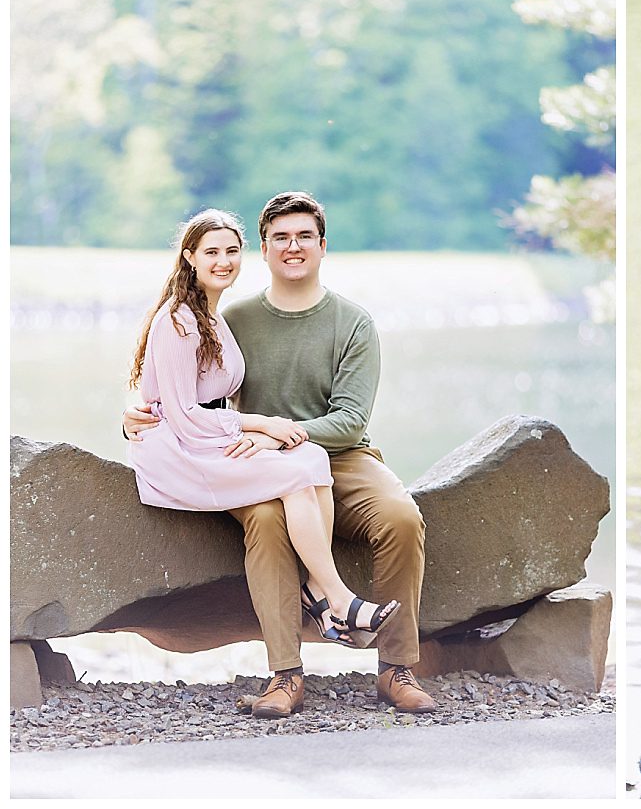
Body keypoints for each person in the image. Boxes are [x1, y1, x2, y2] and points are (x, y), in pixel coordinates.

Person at [125, 192, 436, 719]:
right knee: (267, 523)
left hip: (340, 453)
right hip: (251, 458)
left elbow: (351, 420)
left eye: (304, 237)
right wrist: (138, 417)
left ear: (322, 246)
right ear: (264, 251)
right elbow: (187, 391)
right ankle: (285, 675)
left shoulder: (353, 323)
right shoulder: (231, 316)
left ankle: (395, 669)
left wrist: (279, 435)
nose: (293, 247)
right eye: (281, 239)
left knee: (402, 518)